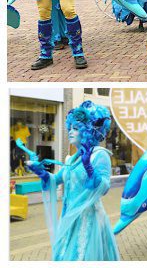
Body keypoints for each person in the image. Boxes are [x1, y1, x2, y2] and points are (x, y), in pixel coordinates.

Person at [27, 101, 119, 261]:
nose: (70, 132)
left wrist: (89, 168)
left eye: (76, 128)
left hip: (89, 221)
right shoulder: (70, 159)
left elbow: (104, 187)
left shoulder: (100, 155)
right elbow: (56, 180)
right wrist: (41, 172)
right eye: (70, 128)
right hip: (70, 217)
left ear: (88, 132)